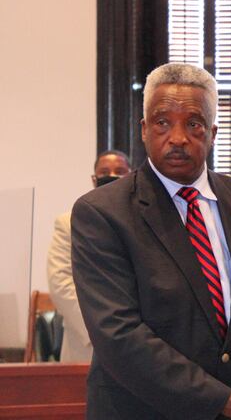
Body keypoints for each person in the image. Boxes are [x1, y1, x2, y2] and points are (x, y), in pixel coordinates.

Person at [71, 63, 231, 419]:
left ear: (212, 132)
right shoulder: (102, 213)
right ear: (144, 129)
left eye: (193, 124)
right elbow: (119, 335)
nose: (177, 138)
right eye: (163, 122)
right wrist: (226, 401)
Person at [46, 149, 131, 362]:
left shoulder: (145, 221)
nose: (112, 176)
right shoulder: (68, 222)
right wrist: (105, 330)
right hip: (87, 344)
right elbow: (61, 283)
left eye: (120, 171)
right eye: (105, 172)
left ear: (131, 175)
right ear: (94, 179)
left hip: (138, 343)